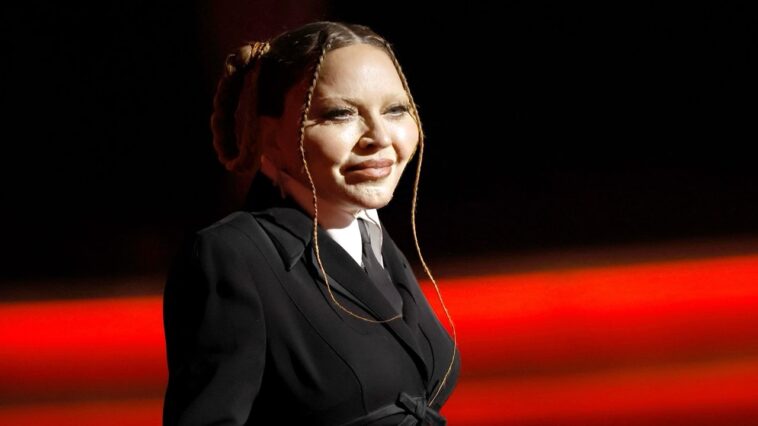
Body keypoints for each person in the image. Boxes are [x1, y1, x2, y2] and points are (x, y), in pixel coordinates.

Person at [163, 21, 460, 425]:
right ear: (268, 137)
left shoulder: (367, 233)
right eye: (340, 114)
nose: (379, 137)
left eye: (396, 109)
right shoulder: (231, 257)